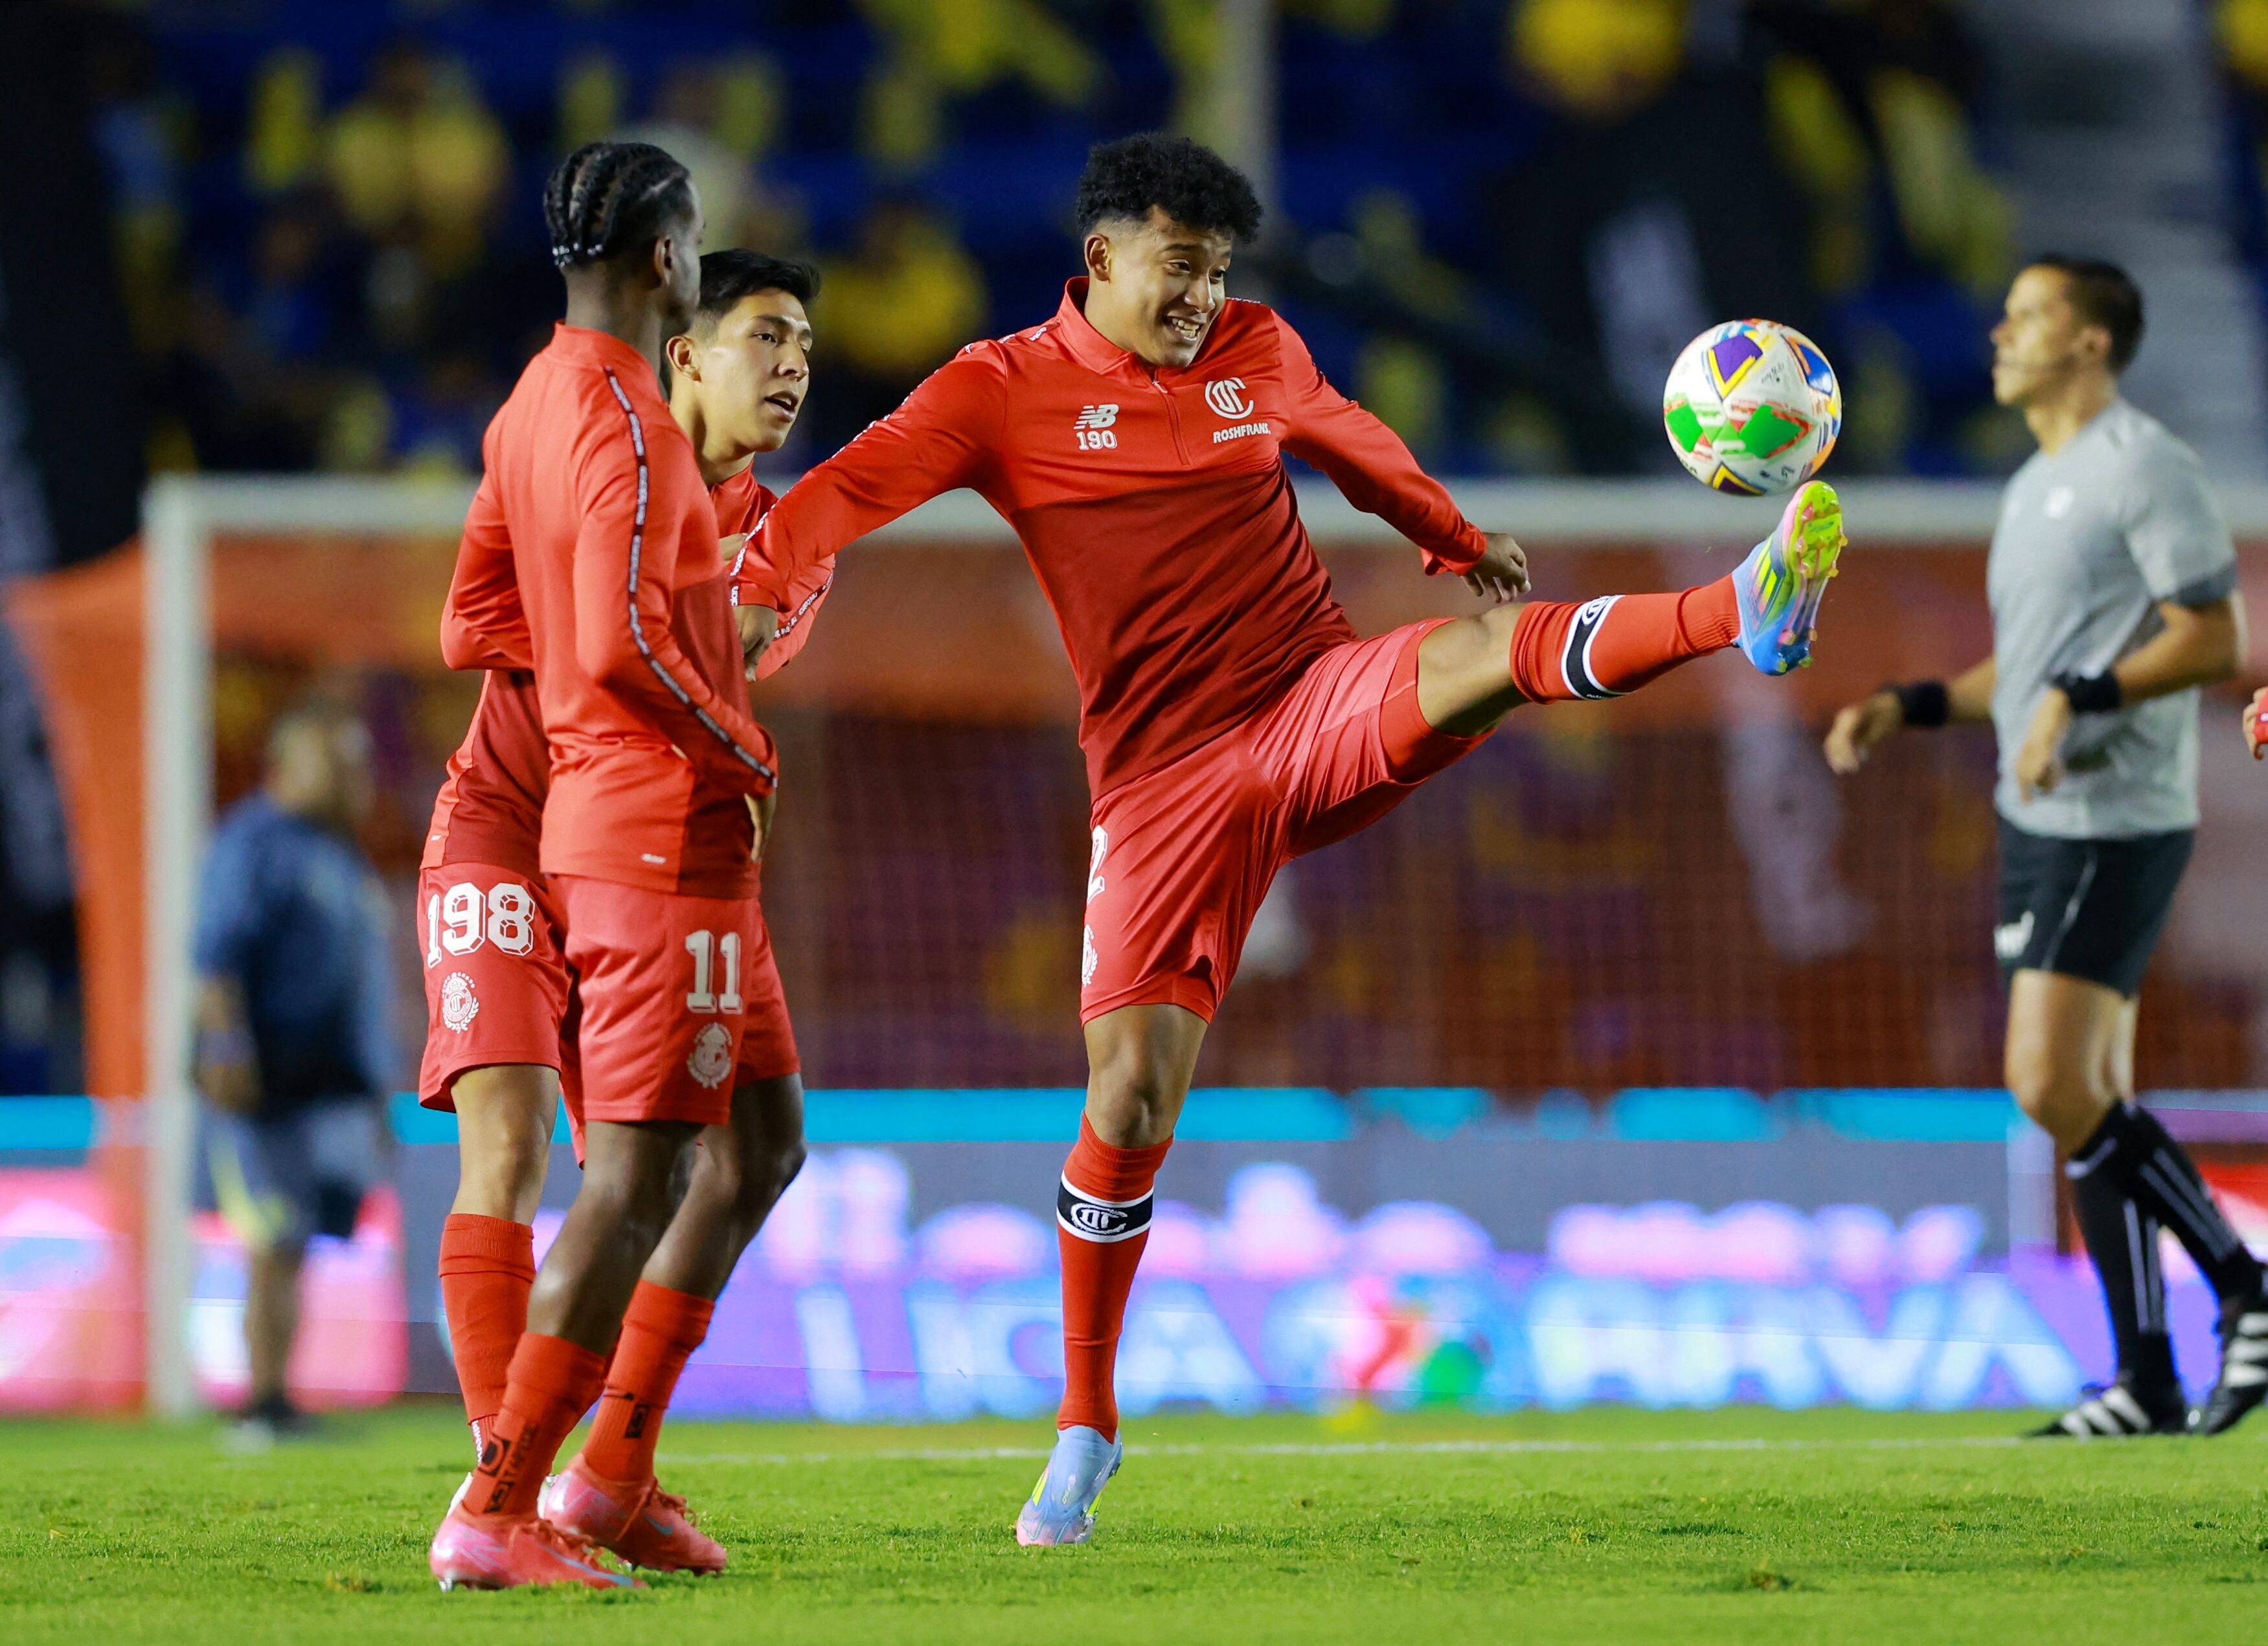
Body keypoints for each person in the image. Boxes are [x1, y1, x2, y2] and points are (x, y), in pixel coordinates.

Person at [738, 131, 1846, 1544]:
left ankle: (1738, 605)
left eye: (1212, 271)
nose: (1200, 296)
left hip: (1307, 696)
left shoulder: (1256, 347)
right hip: (1158, 785)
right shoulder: (996, 390)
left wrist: (1445, 530)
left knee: (1481, 652)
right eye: (1175, 268)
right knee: (1129, 1095)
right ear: (1098, 261)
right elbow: (850, 485)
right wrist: (766, 573)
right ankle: (1084, 1422)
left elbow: (1348, 439)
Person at [417, 246, 818, 1579]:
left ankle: (606, 1474)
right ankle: (506, 1483)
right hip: (502, 833)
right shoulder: (585, 450)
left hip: (653, 852)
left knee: (752, 1151)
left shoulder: (779, 538)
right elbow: (497, 627)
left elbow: (716, 645)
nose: (792, 366)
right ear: (683, 350)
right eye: (763, 336)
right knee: (515, 1141)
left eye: (804, 345)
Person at [1826, 256, 2265, 1439]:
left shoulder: (2143, 467)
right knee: (2086, 1097)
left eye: (2027, 316)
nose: (1998, 333)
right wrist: (1910, 704)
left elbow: (2211, 637)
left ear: (2088, 343)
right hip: (2042, 819)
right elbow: (2017, 678)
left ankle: (2245, 1286)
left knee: (2047, 1082)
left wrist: (2080, 695)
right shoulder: (2034, 485)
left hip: (2113, 814)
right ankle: (2144, 1380)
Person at [193, 702, 394, 1447]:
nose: (352, 776)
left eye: (356, 762)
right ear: (285, 764)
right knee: (271, 1238)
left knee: (297, 1240)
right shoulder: (255, 841)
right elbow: (215, 958)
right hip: (268, 1082)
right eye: (334, 759)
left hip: (329, 1086)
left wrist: (374, 1088)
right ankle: (261, 1402)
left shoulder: (340, 855)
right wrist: (224, 1052)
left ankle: (278, 1394)